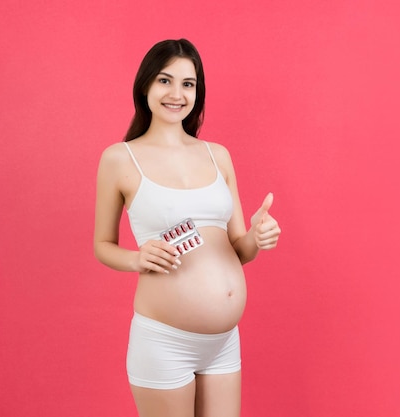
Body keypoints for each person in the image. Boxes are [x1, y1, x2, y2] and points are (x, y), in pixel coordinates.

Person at [93, 39, 281, 417]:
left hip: (224, 343)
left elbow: (238, 250)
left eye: (188, 84)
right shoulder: (120, 158)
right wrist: (136, 257)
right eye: (165, 81)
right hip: (164, 341)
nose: (177, 94)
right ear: (145, 85)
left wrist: (258, 238)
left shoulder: (217, 154)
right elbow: (102, 244)